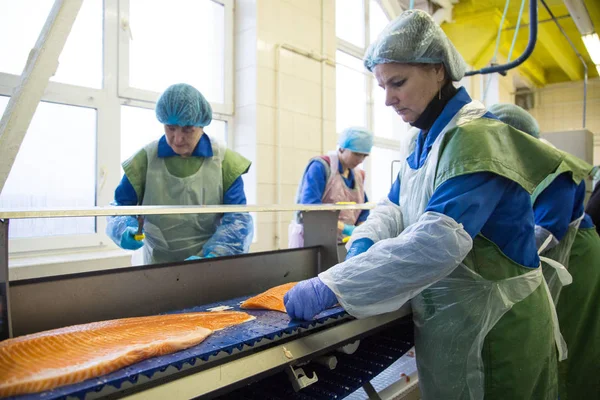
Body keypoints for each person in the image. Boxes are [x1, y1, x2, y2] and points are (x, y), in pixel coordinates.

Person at [284, 10, 566, 400]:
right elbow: (394, 207)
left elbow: (438, 242)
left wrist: (333, 285)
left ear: (437, 71)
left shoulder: (474, 138)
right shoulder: (422, 140)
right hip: (451, 319)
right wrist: (362, 246)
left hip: (497, 326)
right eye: (382, 86)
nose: (387, 99)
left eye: (397, 82)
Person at [489, 103, 600, 399]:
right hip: (548, 255)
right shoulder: (513, 164)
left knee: (570, 335)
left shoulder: (554, 166)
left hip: (575, 257)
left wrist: (496, 265)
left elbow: (547, 231)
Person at [106, 83, 254, 264]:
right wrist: (125, 229)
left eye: (187, 129)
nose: (177, 139)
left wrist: (213, 256)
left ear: (202, 125)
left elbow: (237, 221)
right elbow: (120, 207)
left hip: (207, 266)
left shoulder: (225, 162)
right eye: (170, 128)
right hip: (155, 265)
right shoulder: (144, 161)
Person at [288, 127, 373, 248]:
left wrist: (359, 231)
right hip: (315, 241)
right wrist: (345, 228)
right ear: (342, 148)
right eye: (356, 154)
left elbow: (363, 209)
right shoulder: (320, 167)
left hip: (345, 242)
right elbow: (310, 209)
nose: (360, 160)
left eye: (364, 156)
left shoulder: (359, 175)